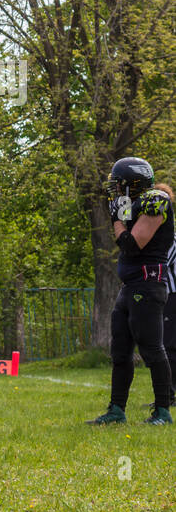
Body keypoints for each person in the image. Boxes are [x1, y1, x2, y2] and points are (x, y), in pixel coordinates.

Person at [90, 157, 174, 425]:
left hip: (148, 284)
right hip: (131, 286)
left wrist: (116, 219)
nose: (116, 190)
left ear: (133, 182)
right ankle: (116, 410)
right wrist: (121, 215)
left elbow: (131, 244)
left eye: (119, 183)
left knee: (151, 349)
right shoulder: (137, 202)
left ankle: (163, 411)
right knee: (120, 350)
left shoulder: (156, 200)